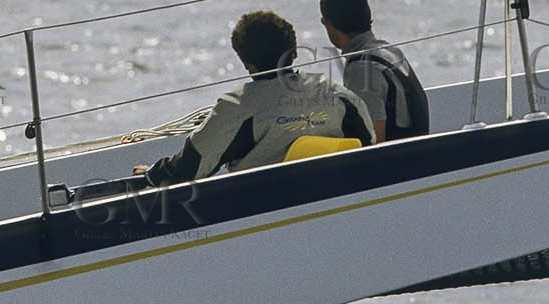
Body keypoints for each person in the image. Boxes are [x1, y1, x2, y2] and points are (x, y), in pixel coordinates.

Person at [140, 11, 374, 185]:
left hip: (264, 209)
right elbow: (369, 148)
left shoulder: (237, 107)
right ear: (293, 52)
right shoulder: (341, 98)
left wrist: (151, 175)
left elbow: (188, 170)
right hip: (335, 202)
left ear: (246, 63)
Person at [318, 0, 429, 142]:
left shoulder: (362, 69)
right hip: (418, 154)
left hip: (397, 163)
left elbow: (374, 141)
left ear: (328, 24)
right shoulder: (390, 51)